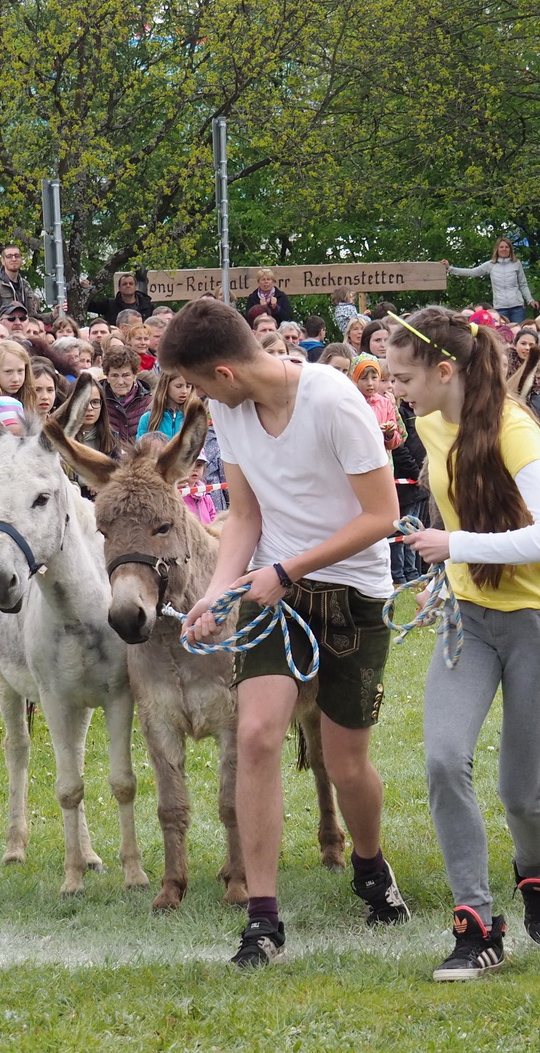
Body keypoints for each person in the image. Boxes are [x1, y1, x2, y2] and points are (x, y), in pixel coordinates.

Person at [162, 297, 410, 969]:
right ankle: (263, 919)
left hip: (354, 591)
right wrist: (217, 593)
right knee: (256, 734)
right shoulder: (229, 409)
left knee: (344, 759)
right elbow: (243, 513)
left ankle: (368, 863)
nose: (200, 398)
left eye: (199, 383)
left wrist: (286, 568)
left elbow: (383, 514)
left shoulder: (333, 401)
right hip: (275, 591)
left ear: (225, 370)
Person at [382, 307, 540, 981]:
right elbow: (457, 507)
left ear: (445, 371)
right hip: (468, 618)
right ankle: (475, 924)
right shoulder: (427, 424)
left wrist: (455, 545)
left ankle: (537, 871)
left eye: (403, 376)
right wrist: (445, 573)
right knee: (443, 761)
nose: (394, 388)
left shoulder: (516, 429)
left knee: (522, 789)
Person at [444, 239, 534, 324]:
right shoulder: (491, 265)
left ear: (510, 249)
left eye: (507, 247)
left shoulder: (516, 264)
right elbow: (472, 272)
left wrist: (530, 300)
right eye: (501, 247)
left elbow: (523, 284)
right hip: (500, 307)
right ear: (497, 249)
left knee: (518, 332)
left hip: (517, 307)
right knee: (501, 334)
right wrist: (450, 269)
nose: (504, 249)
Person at [101, 344, 152, 441]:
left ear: (135, 375)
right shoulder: (98, 401)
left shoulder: (150, 403)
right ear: (107, 377)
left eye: (126, 375)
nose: (120, 382)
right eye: (114, 375)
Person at [0, 246, 36, 326]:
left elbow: (33, 317)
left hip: (24, 333)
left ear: (21, 259)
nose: (14, 259)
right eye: (9, 256)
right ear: (3, 261)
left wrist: (53, 315)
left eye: (17, 256)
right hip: (5, 335)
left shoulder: (25, 285)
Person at [136, 371, 193, 440]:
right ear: (166, 386)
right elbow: (140, 448)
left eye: (188, 386)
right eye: (178, 386)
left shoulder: (194, 417)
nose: (184, 391)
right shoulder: (148, 418)